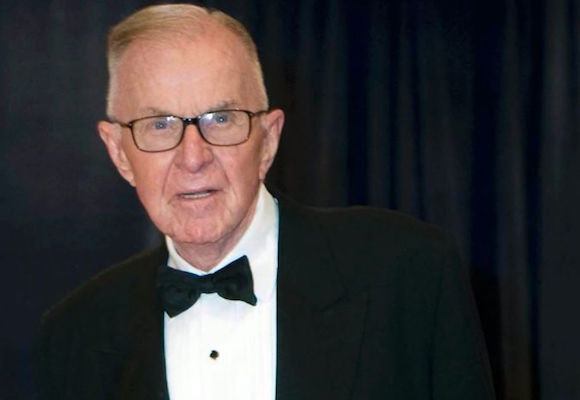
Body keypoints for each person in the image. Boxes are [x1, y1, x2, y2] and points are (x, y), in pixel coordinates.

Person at [37, 4, 494, 399]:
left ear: (269, 140)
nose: (193, 157)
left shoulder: (409, 273)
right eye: (159, 125)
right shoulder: (75, 335)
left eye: (221, 118)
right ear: (119, 152)